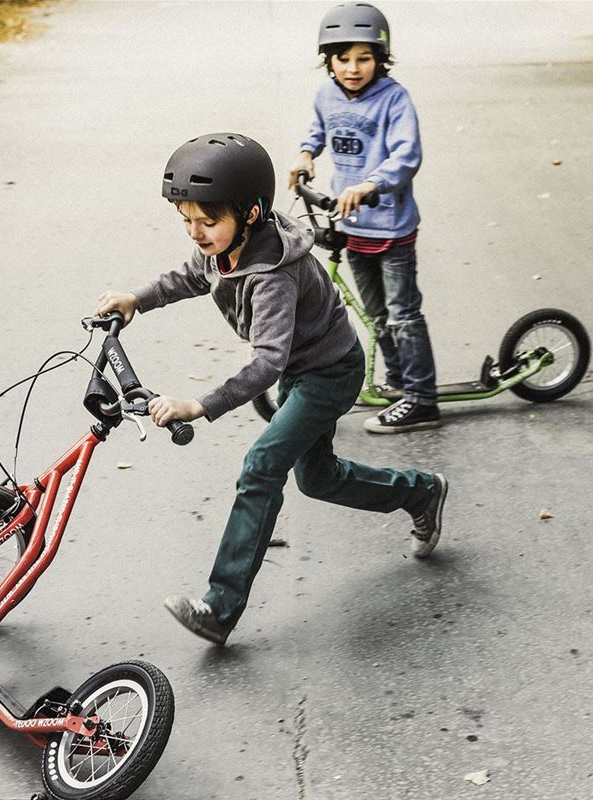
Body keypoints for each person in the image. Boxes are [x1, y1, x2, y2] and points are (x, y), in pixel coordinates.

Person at [95, 132, 447, 646]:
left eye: (207, 221)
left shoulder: (273, 276)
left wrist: (200, 405)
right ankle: (422, 491)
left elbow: (266, 363)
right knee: (318, 478)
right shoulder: (226, 245)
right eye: (187, 220)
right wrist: (137, 299)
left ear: (252, 214)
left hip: (329, 373)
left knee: (262, 466)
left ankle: (219, 607)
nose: (196, 232)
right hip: (305, 371)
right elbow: (191, 277)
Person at [291, 2, 440, 434]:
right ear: (330, 61)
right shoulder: (326, 95)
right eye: (343, 59)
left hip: (393, 230)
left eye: (364, 58)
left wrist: (370, 185)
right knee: (376, 316)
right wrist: (305, 156)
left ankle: (422, 398)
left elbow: (407, 154)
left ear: (380, 59)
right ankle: (398, 381)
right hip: (351, 228)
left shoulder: (394, 98)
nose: (353, 68)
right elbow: (317, 131)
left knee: (403, 315)